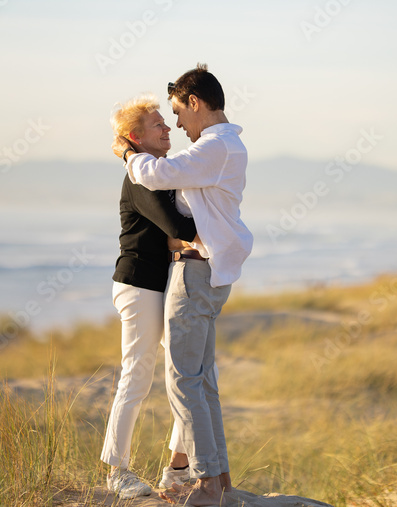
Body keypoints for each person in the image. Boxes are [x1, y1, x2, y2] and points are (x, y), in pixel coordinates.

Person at [113, 64, 254, 506]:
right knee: (201, 380)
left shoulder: (214, 146)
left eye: (176, 113)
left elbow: (158, 177)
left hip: (195, 273)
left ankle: (206, 482)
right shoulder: (227, 146)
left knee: (184, 381)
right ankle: (218, 479)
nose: (175, 125)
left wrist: (127, 153)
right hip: (199, 273)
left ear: (195, 103)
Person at [103, 94, 199, 499]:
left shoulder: (161, 171)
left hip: (165, 284)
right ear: (135, 137)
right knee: (137, 376)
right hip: (139, 285)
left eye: (165, 121)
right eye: (157, 124)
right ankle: (116, 471)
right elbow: (177, 227)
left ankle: (178, 469)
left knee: (191, 373)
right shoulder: (140, 175)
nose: (167, 128)